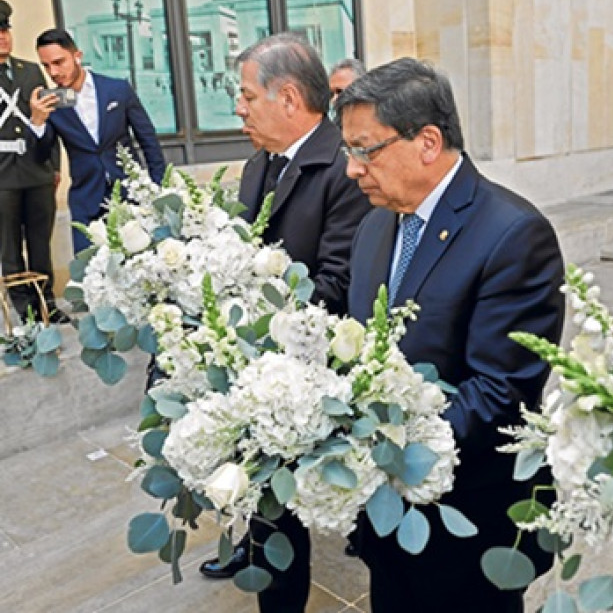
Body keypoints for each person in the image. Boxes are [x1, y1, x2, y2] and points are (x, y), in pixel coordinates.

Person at [336, 58, 565, 613]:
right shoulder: (374, 224)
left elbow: (500, 392)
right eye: (348, 150)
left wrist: (381, 447)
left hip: (466, 526)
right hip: (386, 520)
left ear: (427, 142)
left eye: (365, 150)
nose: (351, 169)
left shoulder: (513, 234)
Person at [197, 32, 371, 612]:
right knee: (255, 480)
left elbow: (338, 283)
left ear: (290, 98)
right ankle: (254, 551)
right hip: (256, 357)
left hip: (306, 364)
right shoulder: (258, 164)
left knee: (285, 496)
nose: (238, 108)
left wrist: (257, 325)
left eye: (247, 96)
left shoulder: (344, 168)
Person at [29, 28, 165, 254]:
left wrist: (158, 187)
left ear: (77, 56)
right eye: (46, 66)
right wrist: (37, 122)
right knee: (89, 268)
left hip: (131, 195)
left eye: (59, 62)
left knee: (140, 264)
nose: (53, 72)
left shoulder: (117, 89)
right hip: (86, 200)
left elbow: (148, 140)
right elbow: (41, 156)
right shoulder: (51, 104)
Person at [0, 0, 67, 324]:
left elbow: (47, 121)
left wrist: (54, 166)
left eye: (5, 29)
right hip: (2, 177)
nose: (3, 37)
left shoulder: (29, 71)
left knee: (40, 244)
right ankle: (25, 312)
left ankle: (46, 305)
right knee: (9, 249)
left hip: (36, 171)